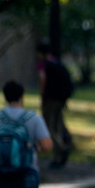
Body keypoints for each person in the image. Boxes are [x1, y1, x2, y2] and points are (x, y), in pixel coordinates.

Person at [36, 40, 74, 169]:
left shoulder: (43, 64)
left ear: (40, 52)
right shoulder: (55, 62)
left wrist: (42, 97)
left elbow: (43, 81)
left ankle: (61, 148)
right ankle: (57, 158)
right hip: (60, 100)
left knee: (48, 127)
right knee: (57, 126)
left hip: (49, 100)